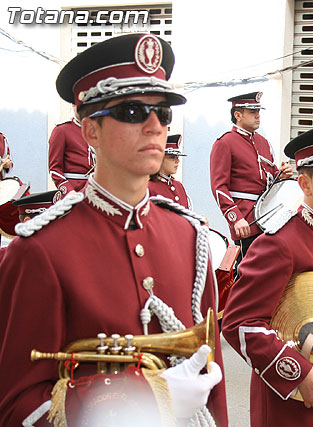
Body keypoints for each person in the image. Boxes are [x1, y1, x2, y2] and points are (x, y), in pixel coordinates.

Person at [0, 33, 227, 426]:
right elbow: (16, 408)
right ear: (90, 130)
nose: (156, 126)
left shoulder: (190, 238)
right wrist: (146, 398)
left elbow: (212, 387)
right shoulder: (40, 250)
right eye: (134, 112)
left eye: (164, 113)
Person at [222, 121, 313, 427]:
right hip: (288, 406)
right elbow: (239, 324)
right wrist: (300, 373)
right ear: (305, 184)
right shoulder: (279, 242)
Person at [209, 91, 292, 264]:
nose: (258, 116)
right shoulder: (225, 142)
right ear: (238, 115)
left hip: (269, 217)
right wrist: (236, 219)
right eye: (252, 112)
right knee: (246, 272)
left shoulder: (264, 142)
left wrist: (280, 174)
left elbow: (267, 176)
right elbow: (219, 187)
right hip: (246, 220)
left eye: (258, 112)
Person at [48, 106, 96, 194]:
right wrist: (69, 191)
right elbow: (54, 169)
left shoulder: (97, 130)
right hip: (73, 191)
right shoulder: (61, 130)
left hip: (94, 191)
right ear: (73, 106)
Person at [149, 134, 192, 209]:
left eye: (177, 157)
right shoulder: (149, 187)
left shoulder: (179, 186)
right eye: (172, 157)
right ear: (159, 158)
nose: (177, 161)